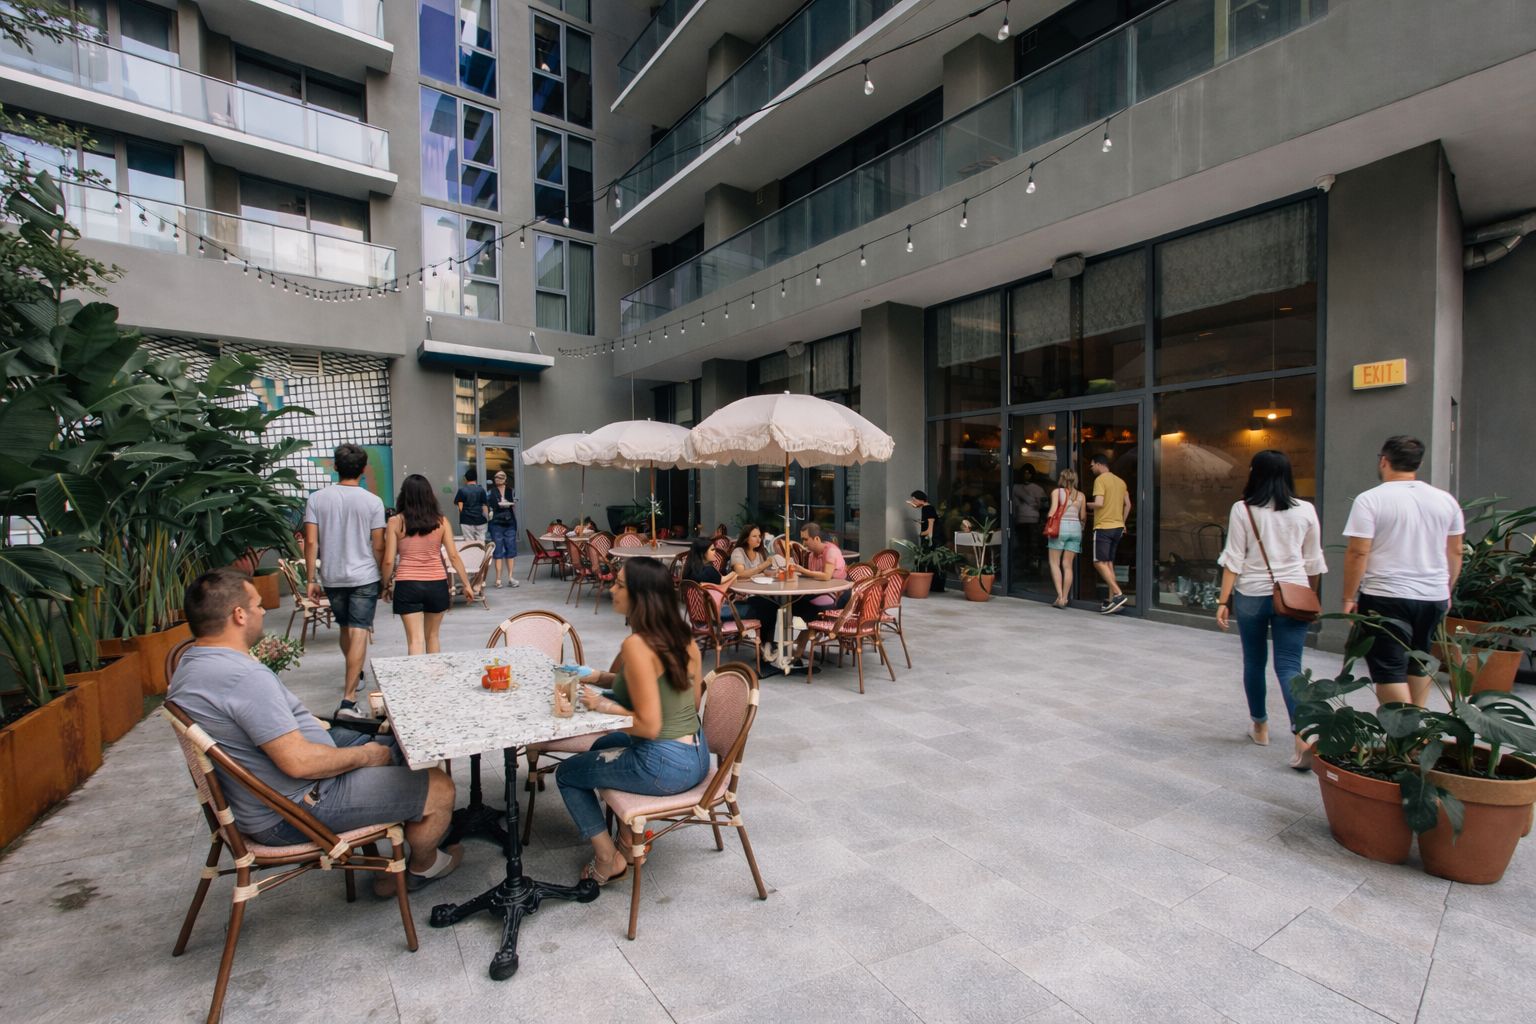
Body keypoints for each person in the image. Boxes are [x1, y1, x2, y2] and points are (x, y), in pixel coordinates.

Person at [169, 569, 460, 893]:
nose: (263, 612)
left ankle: (407, 815)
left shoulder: (189, 665)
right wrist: (365, 756)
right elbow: (299, 763)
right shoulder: (242, 677)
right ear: (238, 615)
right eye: (257, 605)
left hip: (268, 799)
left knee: (401, 744)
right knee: (439, 786)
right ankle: (422, 867)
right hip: (294, 808)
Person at [556, 557, 710, 885]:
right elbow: (692, 702)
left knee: (568, 773)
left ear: (641, 596)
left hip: (665, 767)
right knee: (604, 744)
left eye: (620, 585)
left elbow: (649, 726)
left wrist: (603, 707)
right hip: (697, 756)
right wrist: (596, 676)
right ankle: (628, 840)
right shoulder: (682, 638)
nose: (611, 588)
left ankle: (607, 859)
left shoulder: (637, 645)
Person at [1214, 451, 1327, 768]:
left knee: (1254, 660)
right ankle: (1303, 735)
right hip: (1293, 594)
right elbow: (1313, 562)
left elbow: (1233, 559)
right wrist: (1308, 596)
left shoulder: (1243, 509)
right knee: (1290, 665)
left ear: (1254, 474)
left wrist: (1223, 601)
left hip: (1252, 594)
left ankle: (1260, 727)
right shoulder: (1306, 510)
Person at [1341, 435, 1465, 707]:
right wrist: (1446, 589)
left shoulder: (1370, 500)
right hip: (1432, 595)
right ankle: (1415, 736)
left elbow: (1358, 552)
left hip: (1386, 595)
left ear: (1384, 461)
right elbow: (1455, 551)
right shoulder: (1445, 500)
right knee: (1418, 662)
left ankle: (1407, 733)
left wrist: (1349, 597)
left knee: (1388, 670)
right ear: (1417, 463)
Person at [303, 443, 386, 721]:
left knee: (346, 628)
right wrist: (384, 576)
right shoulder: (373, 502)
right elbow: (378, 546)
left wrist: (311, 579)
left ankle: (355, 673)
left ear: (336, 467)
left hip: (332, 575)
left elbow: (311, 541)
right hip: (364, 575)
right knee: (359, 630)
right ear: (363, 470)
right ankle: (349, 701)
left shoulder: (316, 499)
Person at [383, 474, 476, 656]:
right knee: (433, 636)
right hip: (436, 583)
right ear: (429, 495)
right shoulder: (441, 522)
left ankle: (417, 683)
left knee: (415, 640)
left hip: (407, 584)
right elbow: (454, 557)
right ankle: (435, 681)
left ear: (404, 495)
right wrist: (467, 584)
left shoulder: (395, 522)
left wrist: (385, 585)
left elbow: (388, 560)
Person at [787, 523, 850, 666]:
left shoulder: (831, 552)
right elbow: (814, 579)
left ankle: (798, 649)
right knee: (791, 603)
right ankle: (791, 644)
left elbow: (826, 576)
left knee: (810, 608)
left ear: (816, 539)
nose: (803, 543)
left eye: (805, 539)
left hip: (839, 596)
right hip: (822, 592)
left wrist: (802, 570)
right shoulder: (811, 555)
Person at [1086, 453, 1131, 614]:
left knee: (1098, 562)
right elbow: (1128, 505)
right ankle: (1113, 601)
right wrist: (1122, 522)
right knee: (1108, 562)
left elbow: (1099, 503)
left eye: (1092, 465)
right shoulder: (1120, 482)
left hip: (1103, 526)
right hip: (1118, 527)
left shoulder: (1100, 480)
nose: (1091, 468)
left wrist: (1085, 504)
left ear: (1099, 464)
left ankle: (1118, 594)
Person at [1045, 469, 1087, 608]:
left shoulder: (1057, 492)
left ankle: (1060, 597)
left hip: (1060, 529)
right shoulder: (1081, 495)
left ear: (1062, 479)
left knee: (1054, 563)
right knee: (1068, 565)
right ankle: (1066, 596)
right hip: (1076, 529)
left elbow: (1052, 511)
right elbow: (1082, 516)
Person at [682, 537, 739, 620]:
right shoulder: (709, 570)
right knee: (752, 609)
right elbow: (722, 580)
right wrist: (734, 573)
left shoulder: (689, 570)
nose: (715, 552)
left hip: (697, 614)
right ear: (703, 553)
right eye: (712, 550)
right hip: (714, 614)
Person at [485, 469, 520, 588]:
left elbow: (513, 505)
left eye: (499, 478)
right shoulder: (490, 492)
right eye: (496, 478)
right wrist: (489, 513)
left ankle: (510, 577)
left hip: (509, 523)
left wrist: (513, 505)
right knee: (498, 551)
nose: (497, 480)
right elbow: (486, 505)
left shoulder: (511, 491)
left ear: (504, 480)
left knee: (511, 550)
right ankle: (498, 579)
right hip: (496, 523)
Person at [1012, 465, 1046, 576]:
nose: (1026, 475)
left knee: (1032, 545)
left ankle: (1031, 567)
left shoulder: (1037, 488)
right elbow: (1015, 505)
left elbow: (1042, 505)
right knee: (1023, 544)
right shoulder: (1015, 487)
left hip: (1033, 520)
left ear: (1032, 474)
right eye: (1024, 473)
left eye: (1029, 473)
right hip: (1021, 519)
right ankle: (1024, 566)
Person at [453, 467, 488, 544]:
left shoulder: (462, 490)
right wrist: (487, 518)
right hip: (480, 520)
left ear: (466, 478)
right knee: (481, 542)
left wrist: (462, 512)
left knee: (469, 543)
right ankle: (481, 555)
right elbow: (484, 505)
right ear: (476, 478)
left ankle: (472, 556)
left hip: (466, 520)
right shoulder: (481, 490)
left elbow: (459, 505)